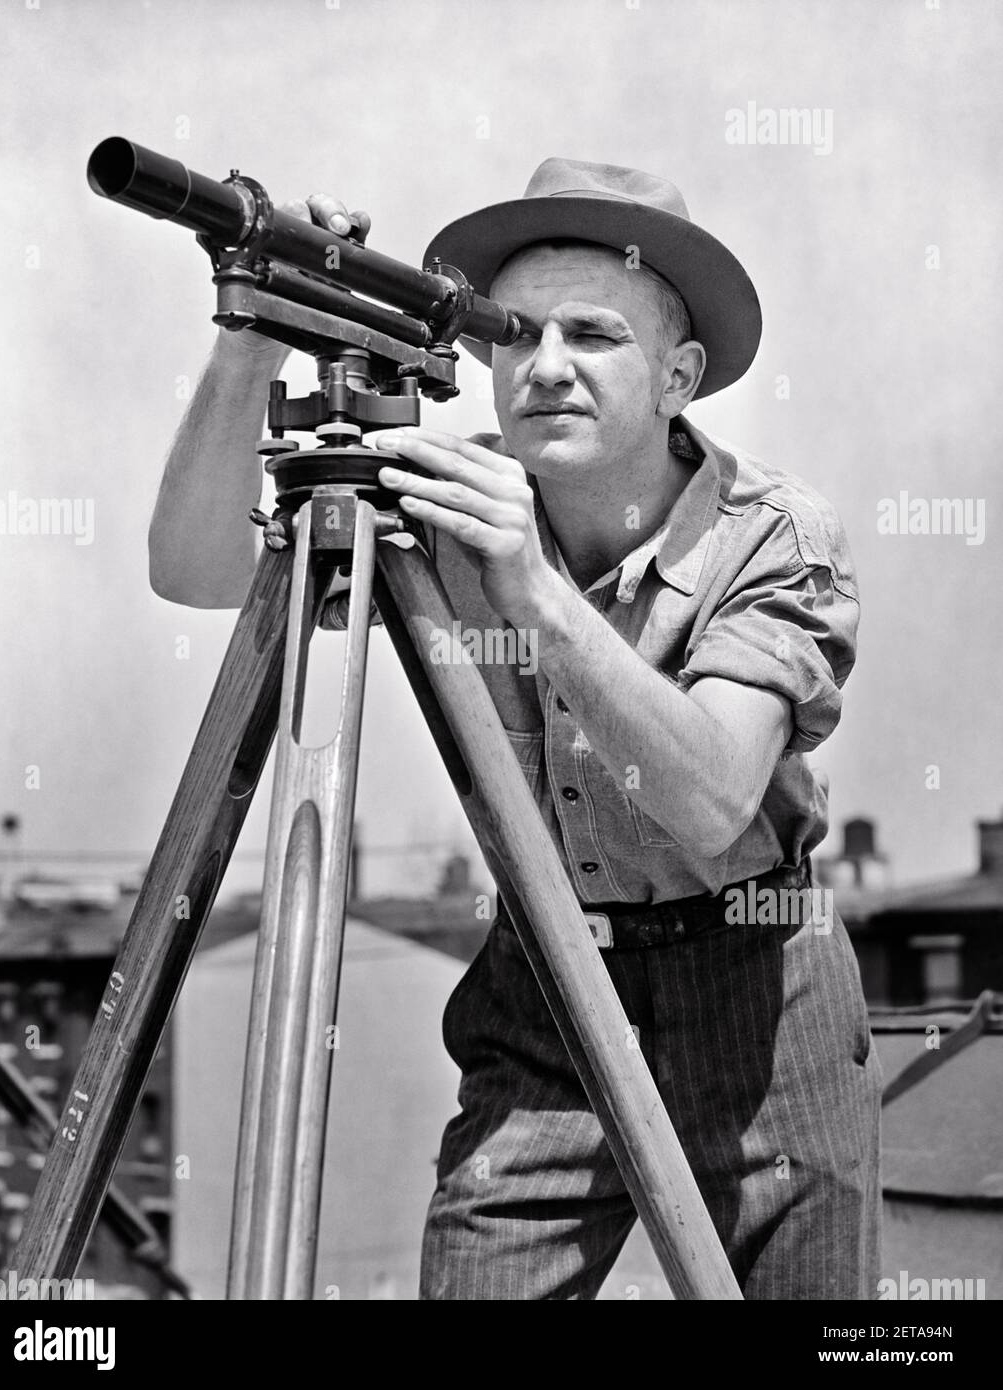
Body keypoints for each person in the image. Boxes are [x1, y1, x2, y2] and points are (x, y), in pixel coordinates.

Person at [149, 158, 882, 1300]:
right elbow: (195, 573)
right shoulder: (449, 498)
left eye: (592, 336)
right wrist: (252, 337)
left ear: (679, 376)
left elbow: (710, 802)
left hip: (760, 982)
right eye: (515, 335)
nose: (543, 369)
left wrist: (534, 589)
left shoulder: (772, 536)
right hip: (545, 971)